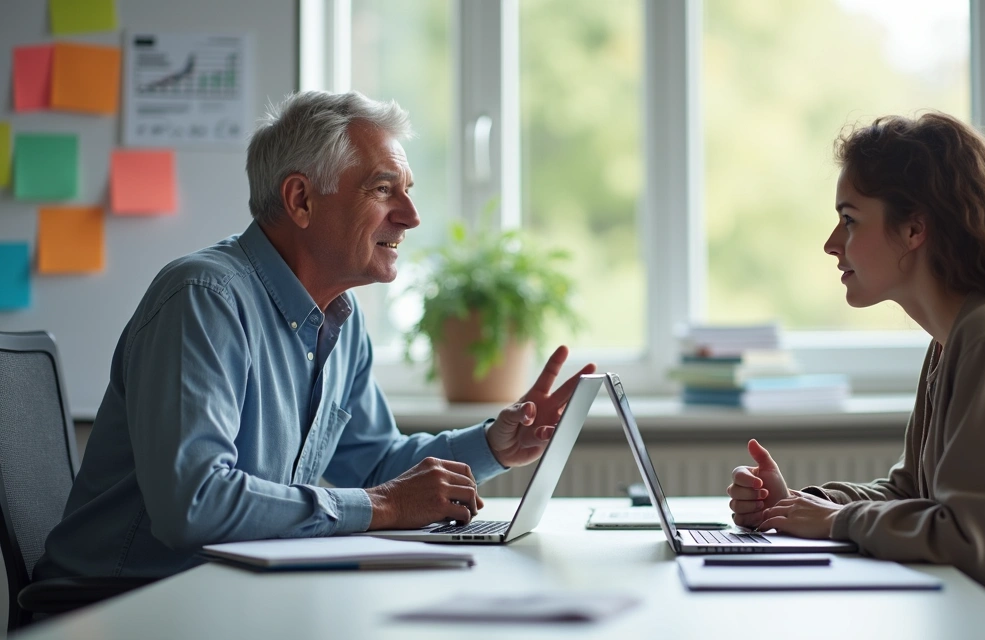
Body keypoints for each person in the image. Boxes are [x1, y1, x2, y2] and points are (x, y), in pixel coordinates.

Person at [34, 90, 595, 580]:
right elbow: (195, 504)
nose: (412, 215)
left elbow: (375, 466)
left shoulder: (341, 322)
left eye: (409, 190)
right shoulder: (204, 298)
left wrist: (496, 443)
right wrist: (380, 507)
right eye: (383, 189)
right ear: (300, 200)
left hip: (230, 590)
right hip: (119, 605)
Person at [726, 113, 985, 640]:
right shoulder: (955, 338)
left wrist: (833, 522)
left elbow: (974, 543)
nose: (833, 243)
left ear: (913, 229)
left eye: (850, 219)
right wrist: (800, 506)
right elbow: (912, 492)